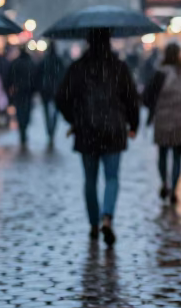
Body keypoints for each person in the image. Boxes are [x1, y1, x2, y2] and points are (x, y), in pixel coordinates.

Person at [56, 29, 140, 243]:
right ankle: (107, 217)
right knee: (112, 178)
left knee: (90, 180)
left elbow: (61, 98)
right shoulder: (119, 67)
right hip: (113, 129)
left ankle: (93, 223)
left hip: (86, 130)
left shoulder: (78, 68)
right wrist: (134, 124)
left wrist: (74, 119)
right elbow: (131, 98)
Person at [143, 43, 181, 204]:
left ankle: (164, 183)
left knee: (162, 154)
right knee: (177, 156)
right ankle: (174, 189)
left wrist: (153, 109)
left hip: (162, 119)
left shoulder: (159, 73)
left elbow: (147, 96)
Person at [5, 48, 38, 147]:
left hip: (18, 91)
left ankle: (22, 128)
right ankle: (24, 127)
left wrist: (11, 87)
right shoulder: (30, 63)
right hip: (27, 91)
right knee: (26, 110)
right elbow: (35, 77)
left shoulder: (16, 63)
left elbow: (9, 76)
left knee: (20, 110)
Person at [37, 48, 66, 146]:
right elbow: (63, 75)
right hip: (56, 90)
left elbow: (38, 75)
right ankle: (52, 129)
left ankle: (50, 129)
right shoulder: (58, 61)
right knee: (55, 112)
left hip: (46, 90)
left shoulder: (44, 61)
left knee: (47, 111)